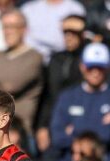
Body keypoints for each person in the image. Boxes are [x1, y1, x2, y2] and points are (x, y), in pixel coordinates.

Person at [50, 42, 110, 161]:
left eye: (100, 67)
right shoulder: (67, 96)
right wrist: (99, 124)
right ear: (82, 67)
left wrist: (74, 129)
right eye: (90, 67)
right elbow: (57, 137)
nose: (95, 72)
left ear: (108, 68)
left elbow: (109, 134)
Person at [0, 10, 43, 134]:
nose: (7, 31)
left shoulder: (34, 57)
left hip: (15, 129)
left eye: (12, 27)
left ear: (24, 29)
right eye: (4, 27)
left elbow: (11, 86)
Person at [36, 14, 85, 153]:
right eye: (65, 32)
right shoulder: (56, 59)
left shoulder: (88, 60)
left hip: (79, 121)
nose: (69, 37)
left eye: (74, 33)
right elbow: (47, 96)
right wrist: (42, 126)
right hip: (55, 121)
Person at [21, 0, 86, 62]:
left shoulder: (75, 8)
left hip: (62, 59)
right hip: (30, 61)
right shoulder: (28, 9)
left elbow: (75, 41)